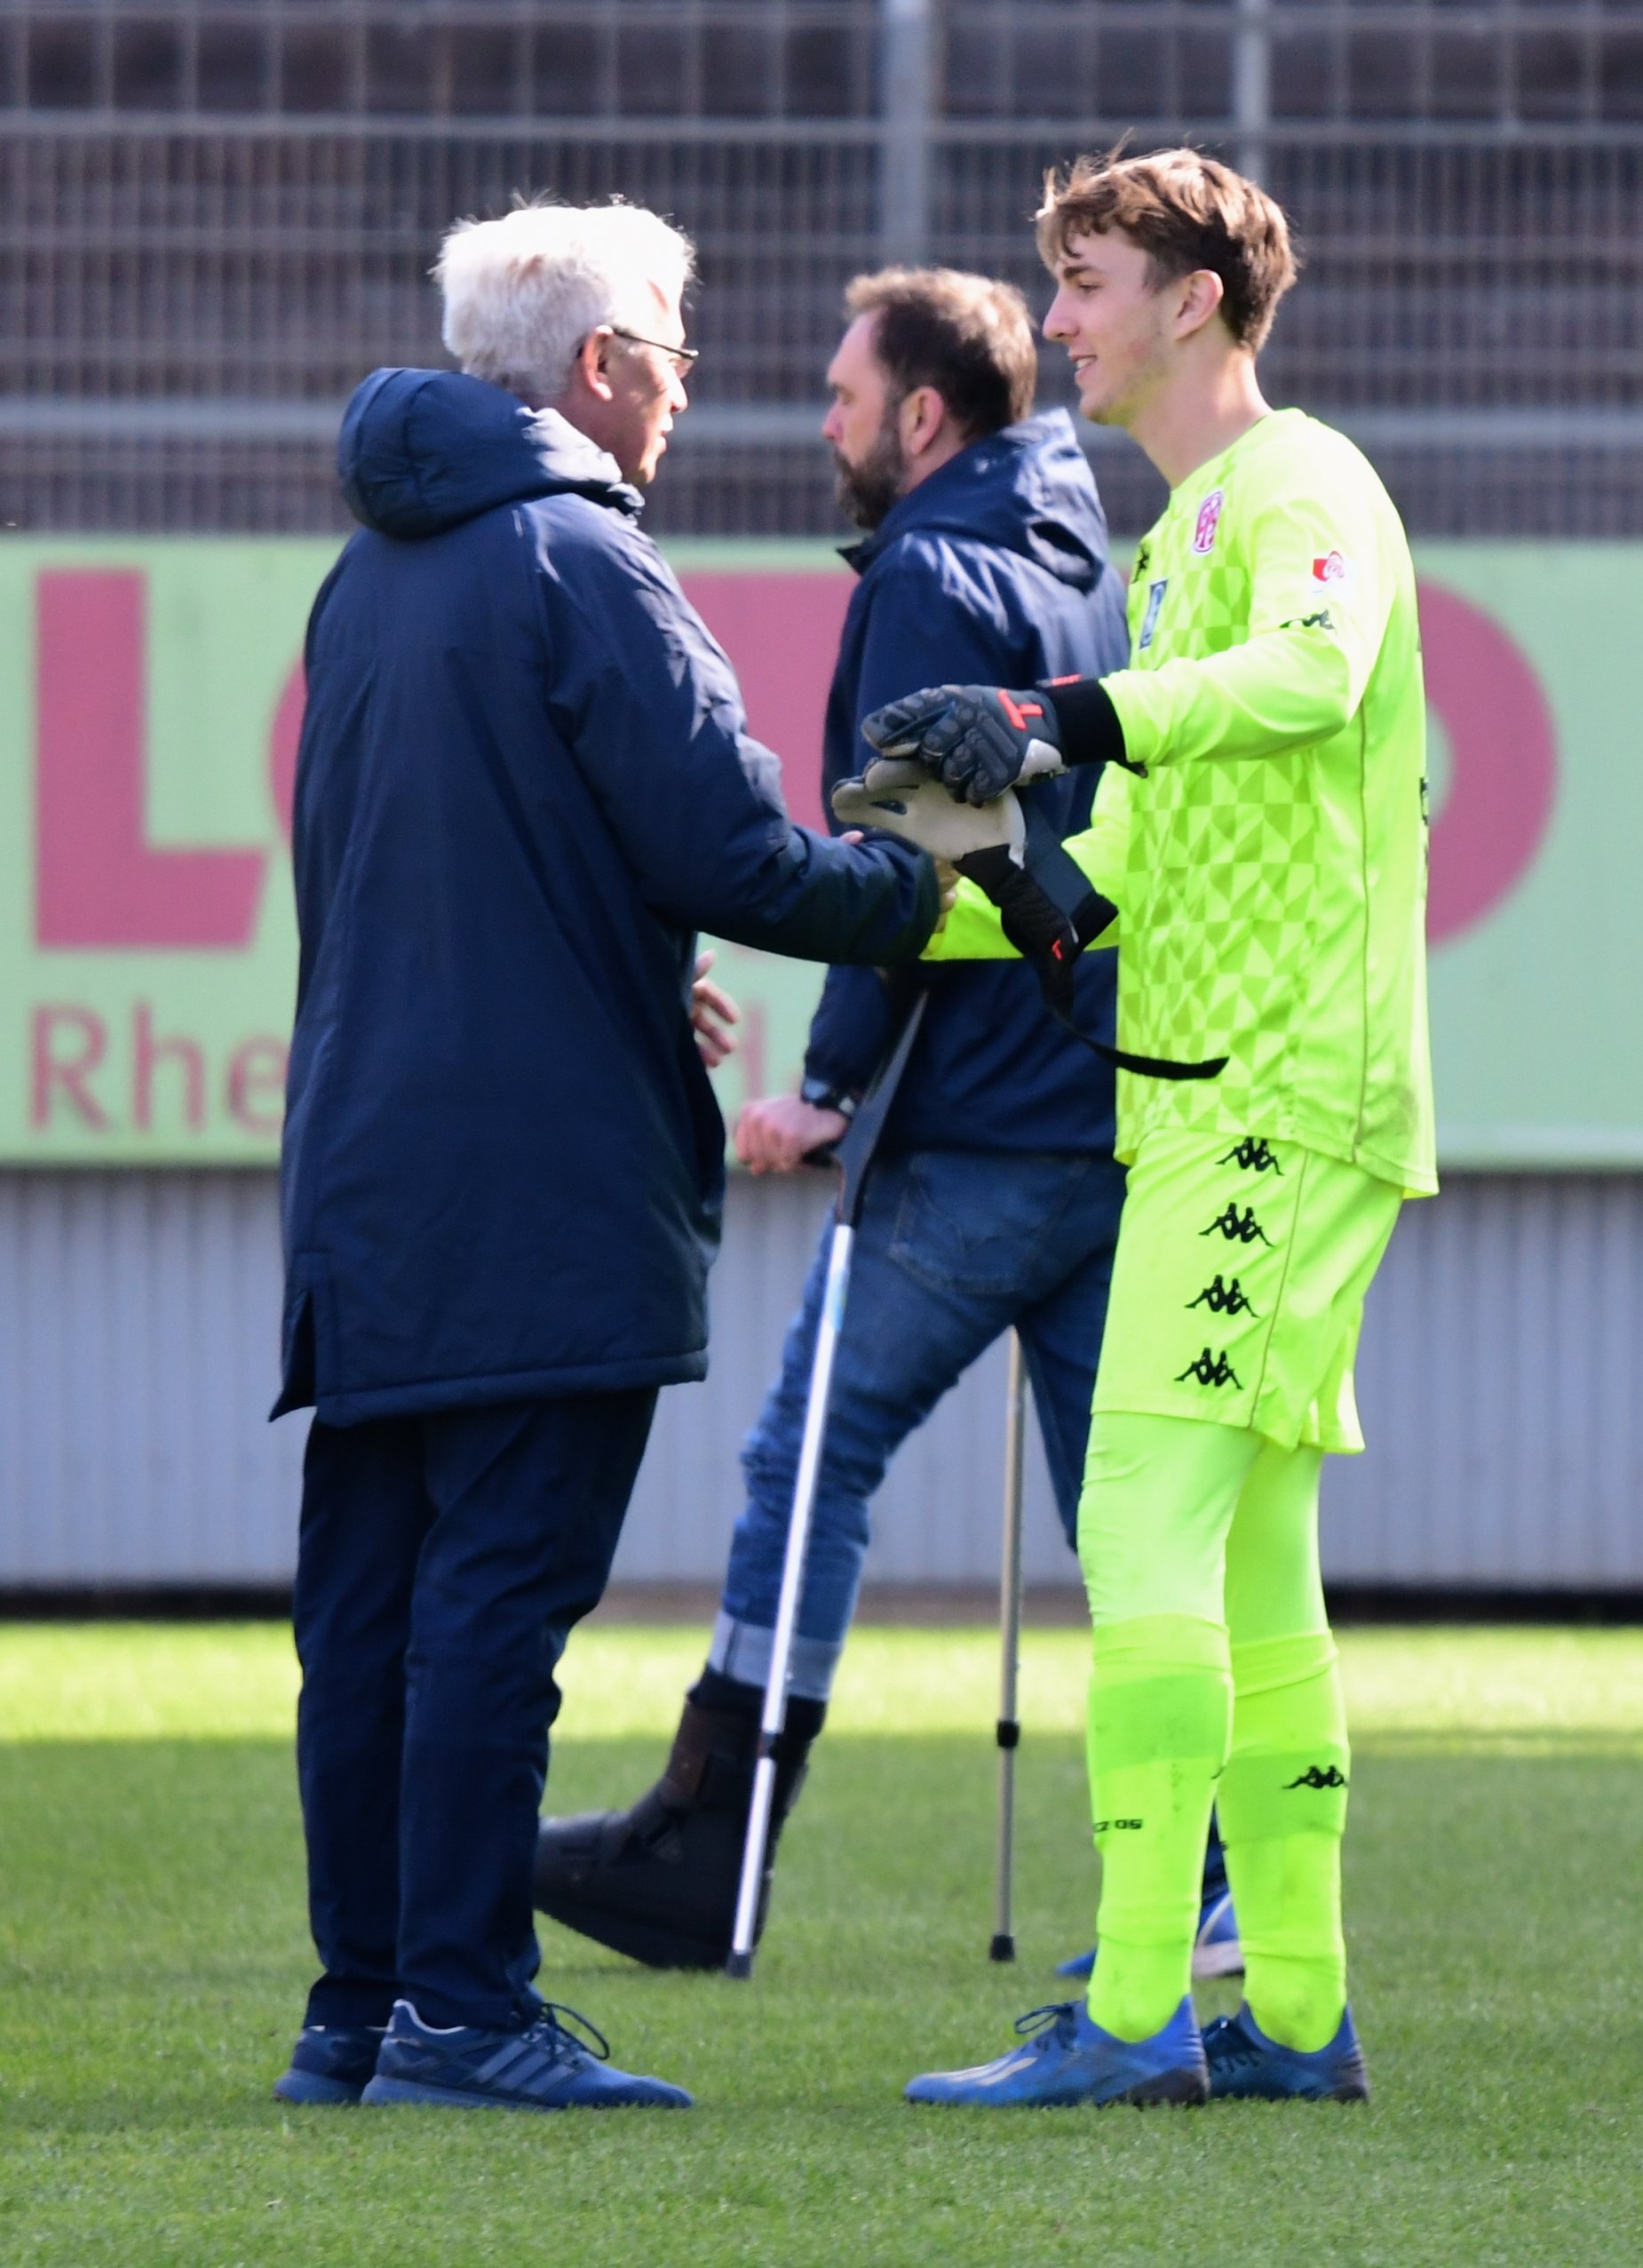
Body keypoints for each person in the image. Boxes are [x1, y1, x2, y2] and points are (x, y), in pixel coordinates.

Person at [269, 201, 943, 2115]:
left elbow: (453, 885)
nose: (687, 388)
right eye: (673, 348)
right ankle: (469, 2013)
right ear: (596, 369)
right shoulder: (584, 561)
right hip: (539, 1182)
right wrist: (945, 885)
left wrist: (629, 979)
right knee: (495, 1604)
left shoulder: (367, 576)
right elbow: (735, 851)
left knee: (374, 1610)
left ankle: (367, 2003)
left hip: (372, 1171)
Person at [533, 266, 1238, 1985]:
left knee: (806, 1462)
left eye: (847, 396)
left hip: (975, 1119)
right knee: (1130, 1517)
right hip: (1105, 1103)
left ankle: (715, 1841)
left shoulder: (927, 569)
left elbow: (904, 855)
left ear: (925, 414)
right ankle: (1216, 1882)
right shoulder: (1096, 561)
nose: (827, 423)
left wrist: (826, 1086)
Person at [864, 148, 1433, 2107]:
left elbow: (1316, 672)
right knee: (1256, 1561)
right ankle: (1291, 2008)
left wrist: (1066, 716)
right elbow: (1130, 848)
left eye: (1091, 281)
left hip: (1272, 1104)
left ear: (1198, 297)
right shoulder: (1187, 528)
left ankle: (1125, 2014)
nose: (1063, 321)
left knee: (1140, 1522)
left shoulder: (1299, 487)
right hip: (1212, 1102)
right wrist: (990, 879)